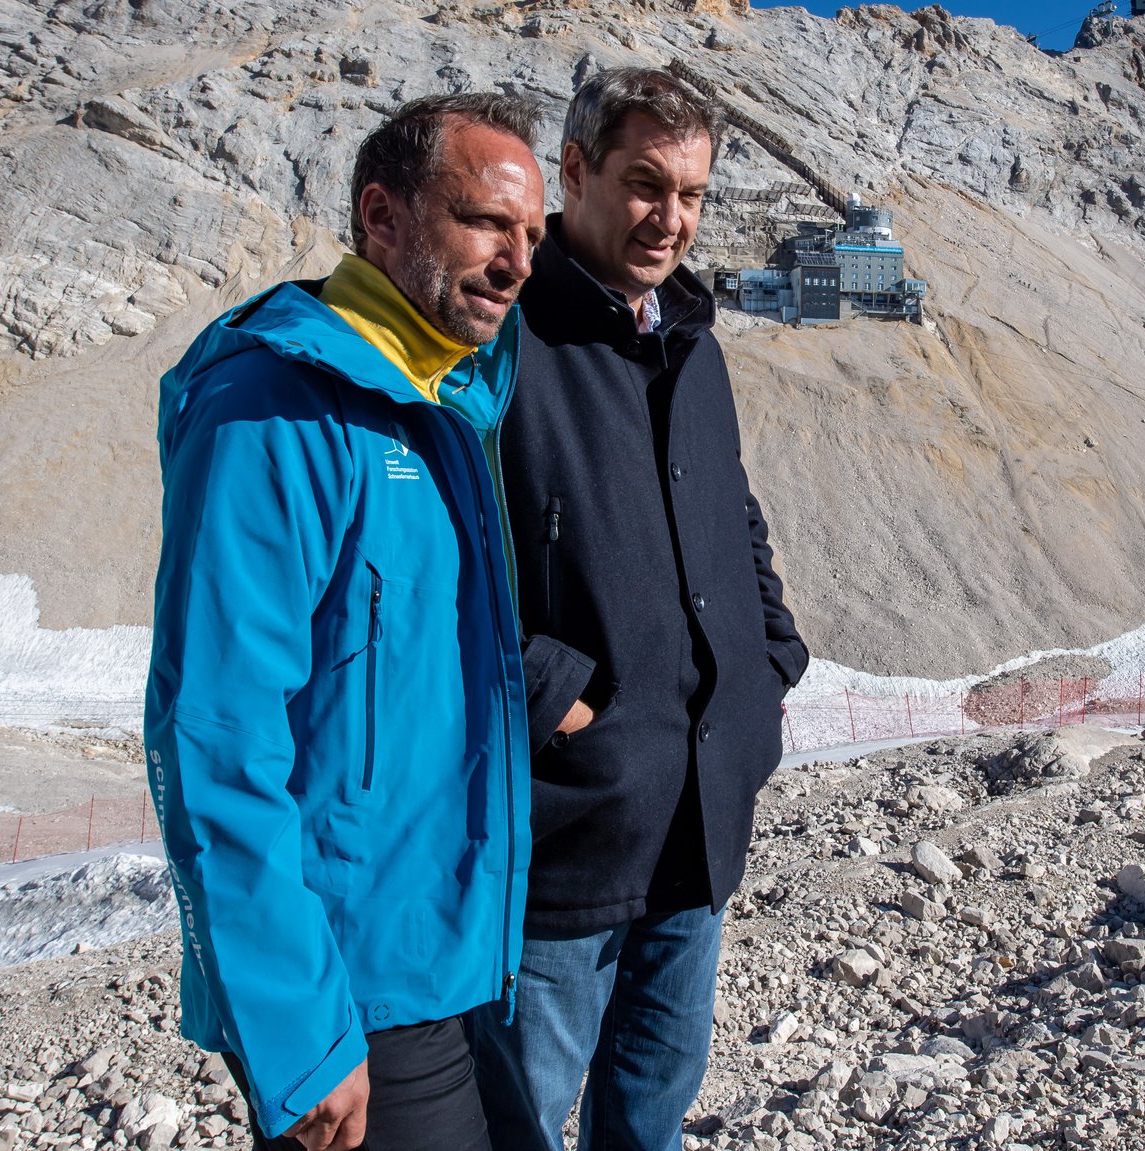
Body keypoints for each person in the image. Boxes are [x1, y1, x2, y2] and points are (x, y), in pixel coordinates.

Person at [145, 92, 546, 1151]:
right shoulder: (270, 412)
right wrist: (298, 1028)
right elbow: (216, 731)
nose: (516, 261)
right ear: (381, 217)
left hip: (457, 957)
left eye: (532, 235)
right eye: (486, 224)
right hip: (351, 982)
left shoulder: (444, 406)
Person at [468, 68, 808, 1151]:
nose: (672, 218)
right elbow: (441, 562)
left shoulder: (692, 343)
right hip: (567, 832)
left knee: (650, 1114)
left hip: (699, 818)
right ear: (573, 173)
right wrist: (558, 703)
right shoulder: (501, 340)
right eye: (645, 184)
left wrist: (768, 664)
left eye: (693, 195)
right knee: (519, 1114)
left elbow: (733, 518)